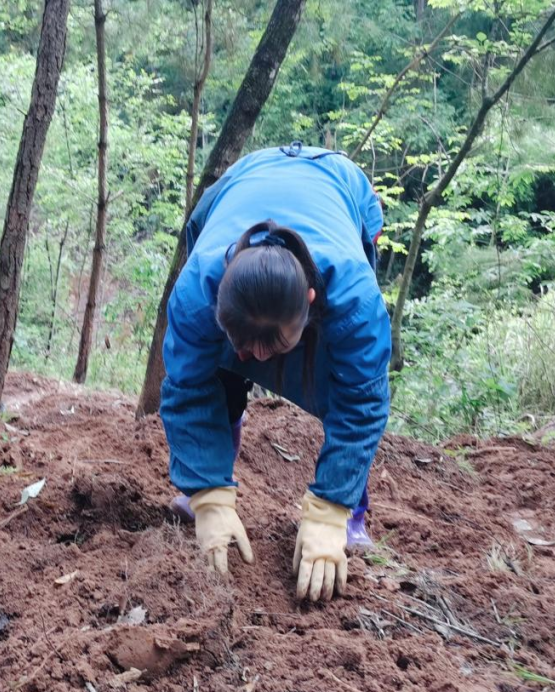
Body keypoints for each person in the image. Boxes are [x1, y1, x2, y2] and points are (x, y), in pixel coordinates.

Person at [161, 143, 389, 602]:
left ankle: (350, 510)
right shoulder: (198, 289)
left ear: (310, 303)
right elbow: (186, 385)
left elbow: (362, 401)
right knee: (217, 368)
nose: (259, 358)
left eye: (274, 347)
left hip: (339, 183)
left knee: (344, 378)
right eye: (245, 343)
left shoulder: (356, 301)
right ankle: (209, 478)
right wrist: (208, 494)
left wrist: (329, 510)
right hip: (246, 178)